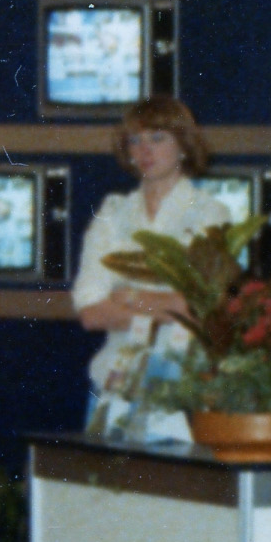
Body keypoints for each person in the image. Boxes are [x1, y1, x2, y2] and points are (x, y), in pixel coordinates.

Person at [69, 96, 237, 439]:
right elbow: (91, 313)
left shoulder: (210, 213)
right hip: (115, 381)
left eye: (157, 138)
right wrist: (166, 305)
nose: (145, 150)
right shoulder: (112, 213)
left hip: (185, 385)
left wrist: (129, 296)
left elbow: (198, 307)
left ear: (184, 144)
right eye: (135, 140)